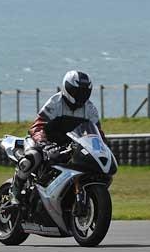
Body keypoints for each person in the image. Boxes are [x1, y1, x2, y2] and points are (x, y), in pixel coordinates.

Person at [9, 70, 106, 205]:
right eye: (77, 91)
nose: (81, 95)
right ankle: (15, 190)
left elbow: (97, 133)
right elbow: (37, 126)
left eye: (84, 92)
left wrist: (102, 148)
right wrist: (44, 143)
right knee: (33, 157)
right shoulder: (56, 102)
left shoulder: (90, 109)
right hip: (44, 142)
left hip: (70, 146)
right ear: (68, 88)